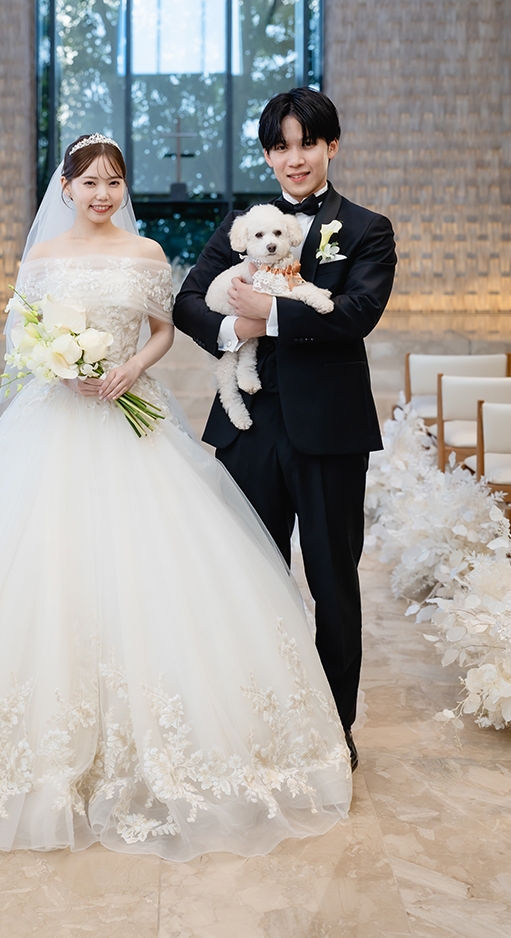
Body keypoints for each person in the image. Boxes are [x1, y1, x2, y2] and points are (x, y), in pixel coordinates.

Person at [0, 133, 351, 864]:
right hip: (53, 418)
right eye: (88, 182)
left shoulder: (146, 254)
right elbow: (21, 332)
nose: (101, 193)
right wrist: (54, 365)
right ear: (66, 189)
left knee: (154, 569)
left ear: (124, 189)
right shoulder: (42, 258)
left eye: (113, 182)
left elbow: (163, 330)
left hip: (128, 411)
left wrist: (128, 368)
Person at [173, 89, 397, 768]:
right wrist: (232, 329)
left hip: (329, 430)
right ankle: (254, 718)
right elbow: (188, 301)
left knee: (333, 582)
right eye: (281, 146)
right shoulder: (242, 224)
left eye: (307, 144)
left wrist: (267, 315)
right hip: (248, 428)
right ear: (268, 155)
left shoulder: (366, 228)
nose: (294, 158)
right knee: (247, 576)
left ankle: (333, 727)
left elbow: (356, 313)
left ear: (332, 146)